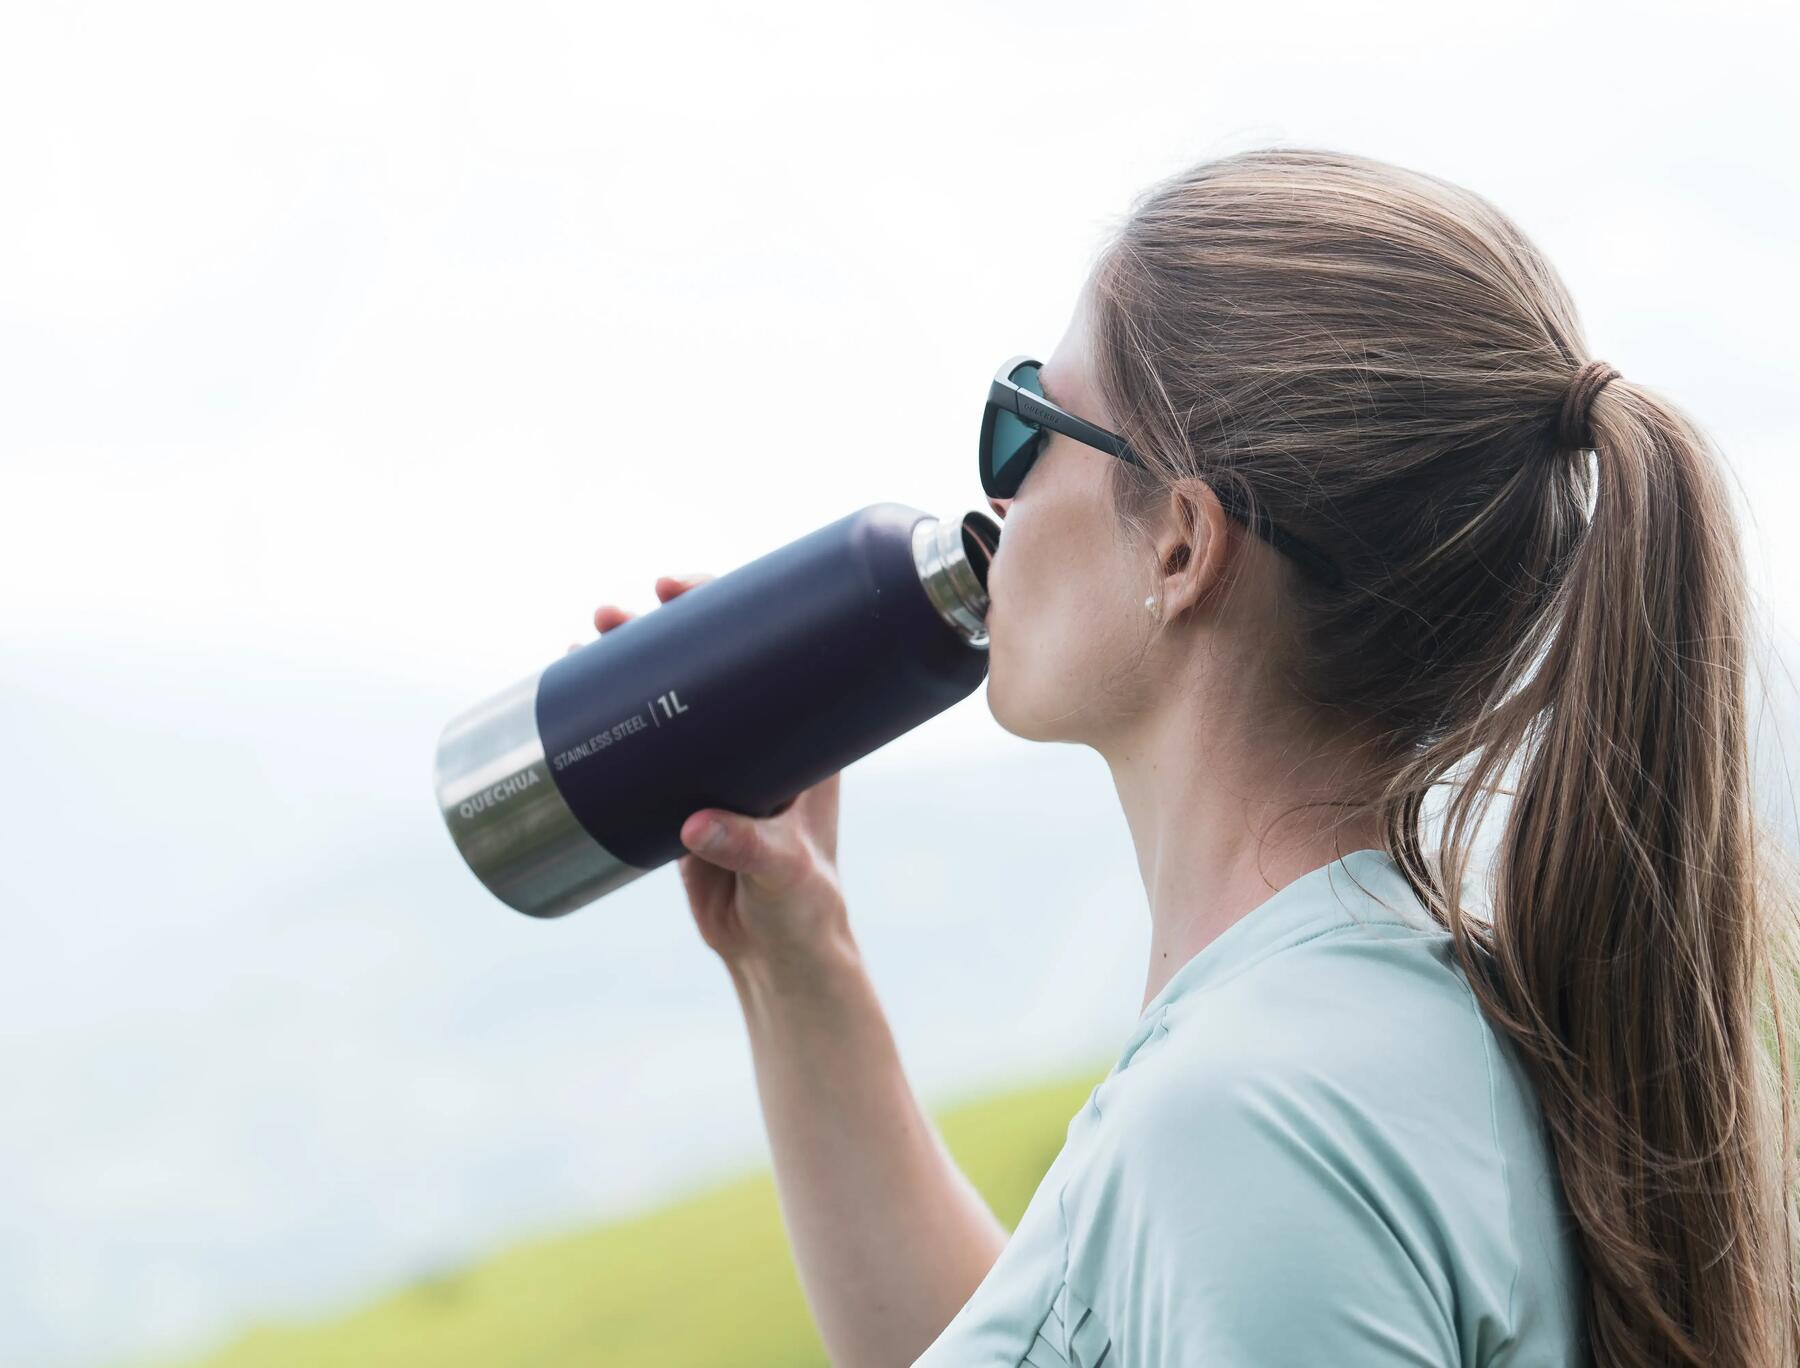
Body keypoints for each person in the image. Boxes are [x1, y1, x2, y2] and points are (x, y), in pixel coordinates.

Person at [582, 148, 1800, 1367]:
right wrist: (800, 958)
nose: (996, 498)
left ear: (1180, 544)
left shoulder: (1251, 1119)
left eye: (1029, 426)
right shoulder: (1386, 1027)